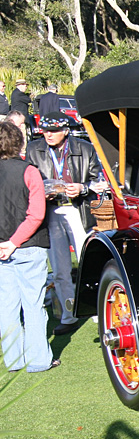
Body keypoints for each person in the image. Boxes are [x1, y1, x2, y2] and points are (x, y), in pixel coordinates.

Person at [25, 112, 103, 336]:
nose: (48, 135)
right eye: (45, 130)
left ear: (66, 130)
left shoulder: (84, 148)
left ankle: (98, 310)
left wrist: (82, 188)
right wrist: (42, 191)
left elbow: (100, 181)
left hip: (79, 210)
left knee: (87, 260)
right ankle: (69, 315)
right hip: (50, 212)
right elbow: (28, 180)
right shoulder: (34, 149)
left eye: (53, 130)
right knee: (60, 269)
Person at [0, 121, 58, 372]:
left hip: (5, 246)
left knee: (7, 306)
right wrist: (14, 242)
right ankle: (38, 360)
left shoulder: (28, 170)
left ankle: (13, 360)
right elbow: (36, 215)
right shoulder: (29, 171)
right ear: (19, 142)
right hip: (27, 245)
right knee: (33, 305)